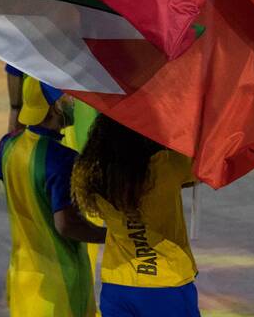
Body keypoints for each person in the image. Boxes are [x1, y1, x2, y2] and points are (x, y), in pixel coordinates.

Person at [0, 78, 105, 317]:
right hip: (58, 288)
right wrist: (108, 236)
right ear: (54, 107)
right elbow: (66, 225)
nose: (72, 101)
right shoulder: (62, 159)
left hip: (21, 282)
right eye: (66, 96)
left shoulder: (7, 146)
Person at [72, 116, 201, 317]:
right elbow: (205, 163)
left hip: (118, 286)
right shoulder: (165, 167)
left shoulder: (92, 173)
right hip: (167, 284)